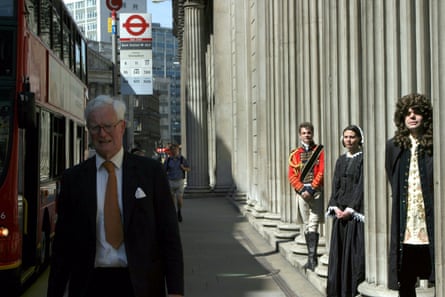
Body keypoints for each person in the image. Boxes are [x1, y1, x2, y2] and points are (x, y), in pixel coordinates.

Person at [47, 95, 184, 297]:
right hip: (89, 285)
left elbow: (169, 236)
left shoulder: (151, 173)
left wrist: (175, 291)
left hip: (140, 284)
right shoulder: (73, 179)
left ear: (122, 126)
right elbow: (62, 247)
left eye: (108, 126)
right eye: (95, 127)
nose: (102, 134)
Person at [386, 93, 434, 297]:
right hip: (406, 221)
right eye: (408, 113)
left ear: (425, 116)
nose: (412, 116)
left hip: (428, 219)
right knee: (405, 275)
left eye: (417, 112)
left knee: (434, 269)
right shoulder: (394, 145)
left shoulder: (435, 144)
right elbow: (391, 174)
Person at [326, 125, 365, 297]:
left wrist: (350, 209)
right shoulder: (341, 160)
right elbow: (335, 185)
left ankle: (350, 290)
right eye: (346, 137)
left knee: (352, 255)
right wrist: (335, 207)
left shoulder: (363, 159)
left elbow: (361, 186)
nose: (349, 140)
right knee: (338, 255)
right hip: (340, 213)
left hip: (353, 215)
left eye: (352, 137)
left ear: (359, 139)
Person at [288, 122, 324, 271]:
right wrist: (302, 189)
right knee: (306, 224)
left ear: (313, 133)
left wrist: (312, 188)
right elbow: (291, 175)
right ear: (300, 135)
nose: (306, 135)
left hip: (315, 192)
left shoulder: (320, 151)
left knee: (313, 223)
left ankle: (312, 259)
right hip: (302, 193)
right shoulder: (294, 154)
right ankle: (312, 258)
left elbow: (322, 171)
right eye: (304, 133)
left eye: (309, 133)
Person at [164, 143, 190, 222]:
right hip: (170, 181)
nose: (174, 151)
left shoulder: (182, 159)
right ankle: (173, 213)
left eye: (176, 149)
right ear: (171, 151)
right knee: (172, 200)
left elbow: (188, 169)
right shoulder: (168, 160)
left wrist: (183, 168)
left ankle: (179, 211)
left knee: (179, 199)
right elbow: (164, 170)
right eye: (173, 150)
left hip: (179, 181)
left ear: (178, 150)